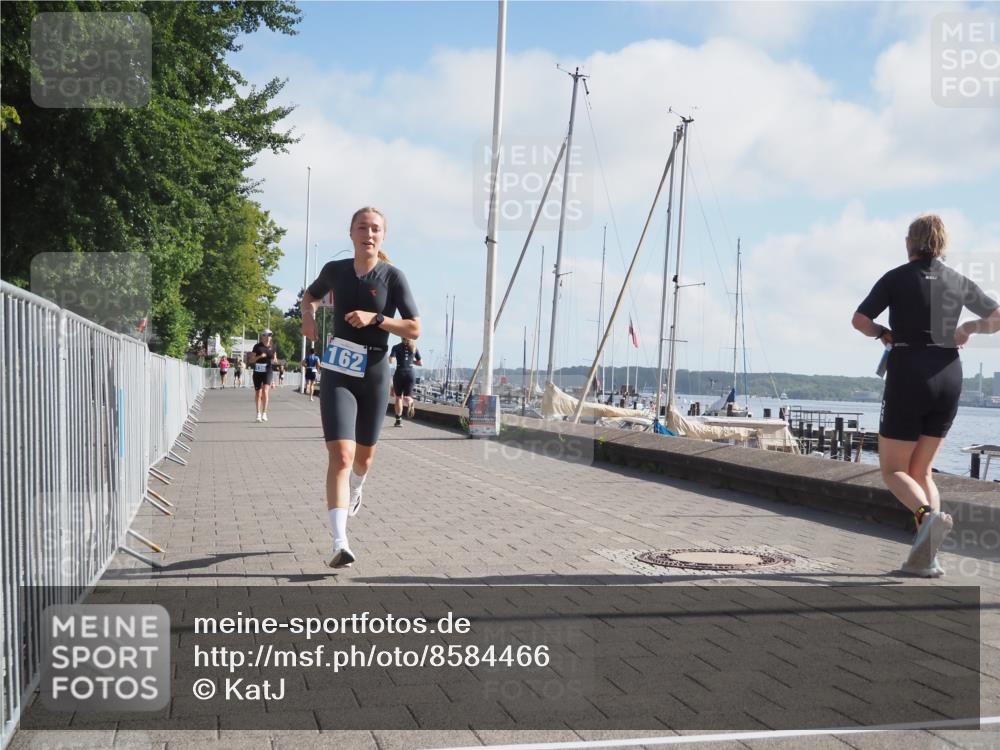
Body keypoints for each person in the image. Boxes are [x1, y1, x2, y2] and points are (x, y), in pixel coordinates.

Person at [853, 213, 1000, 577]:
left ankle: (927, 516)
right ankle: (927, 559)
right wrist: (968, 327)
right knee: (922, 472)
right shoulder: (958, 280)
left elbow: (860, 320)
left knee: (894, 470)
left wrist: (881, 332)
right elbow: (998, 316)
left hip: (909, 374)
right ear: (942, 244)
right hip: (949, 375)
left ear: (910, 243)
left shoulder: (896, 278)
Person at [301, 207, 420, 569]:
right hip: (338, 369)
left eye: (375, 229)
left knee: (363, 459)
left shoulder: (393, 277)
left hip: (375, 372)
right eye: (362, 227)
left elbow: (413, 328)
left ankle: (357, 486)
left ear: (383, 236)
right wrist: (308, 317)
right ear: (351, 233)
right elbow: (310, 296)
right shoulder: (334, 270)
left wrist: (378, 319)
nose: (369, 234)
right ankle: (340, 542)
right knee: (341, 454)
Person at [389, 337, 422, 426]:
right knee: (407, 396)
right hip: (411, 373)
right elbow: (420, 363)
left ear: (401, 337)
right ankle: (410, 402)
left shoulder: (396, 347)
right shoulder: (414, 347)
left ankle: (398, 420)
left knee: (399, 397)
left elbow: (391, 361)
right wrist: (411, 361)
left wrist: (393, 358)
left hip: (400, 373)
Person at [250, 330, 278, 422]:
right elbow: (251, 360)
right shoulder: (257, 347)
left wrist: (275, 360)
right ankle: (258, 413)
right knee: (258, 393)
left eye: (270, 335)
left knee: (265, 391)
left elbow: (275, 359)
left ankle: (264, 413)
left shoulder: (273, 347)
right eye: (267, 335)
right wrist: (260, 356)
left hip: (268, 371)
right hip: (258, 372)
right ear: (263, 336)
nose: (269, 337)